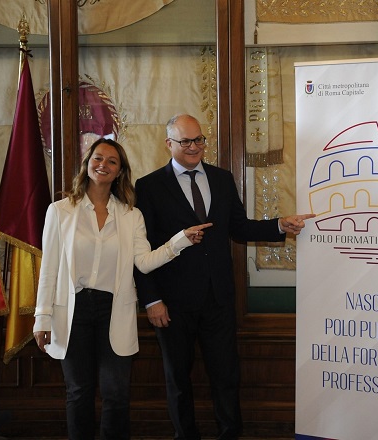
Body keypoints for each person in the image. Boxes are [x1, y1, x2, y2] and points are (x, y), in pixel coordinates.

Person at [133, 114, 314, 440]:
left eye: (199, 140)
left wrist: (279, 225)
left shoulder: (221, 178)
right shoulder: (148, 186)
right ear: (168, 144)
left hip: (218, 299)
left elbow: (239, 228)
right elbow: (140, 249)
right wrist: (151, 300)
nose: (194, 147)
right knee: (178, 379)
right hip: (172, 304)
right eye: (185, 141)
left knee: (226, 377)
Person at [33, 138, 212, 440]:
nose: (103, 165)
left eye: (112, 161)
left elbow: (144, 262)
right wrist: (42, 317)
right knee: (78, 392)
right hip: (73, 311)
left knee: (116, 393)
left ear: (120, 172)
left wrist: (180, 240)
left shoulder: (131, 215)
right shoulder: (60, 211)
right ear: (87, 163)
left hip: (113, 310)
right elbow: (49, 268)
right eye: (98, 158)